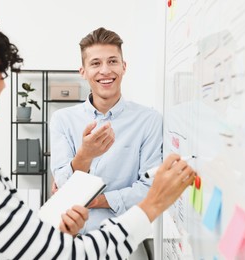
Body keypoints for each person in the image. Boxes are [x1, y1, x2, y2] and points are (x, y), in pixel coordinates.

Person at [0, 1, 196, 259]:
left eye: (112, 62)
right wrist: (155, 202)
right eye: (1, 72)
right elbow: (73, 255)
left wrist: (51, 232)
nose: (4, 85)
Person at [50, 27, 163, 234]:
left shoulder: (148, 120)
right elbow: (62, 187)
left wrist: (96, 200)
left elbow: (150, 188)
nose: (105, 70)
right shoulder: (62, 120)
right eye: (95, 63)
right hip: (71, 241)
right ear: (83, 72)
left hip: (123, 241)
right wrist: (84, 155)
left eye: (112, 61)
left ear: (123, 66)